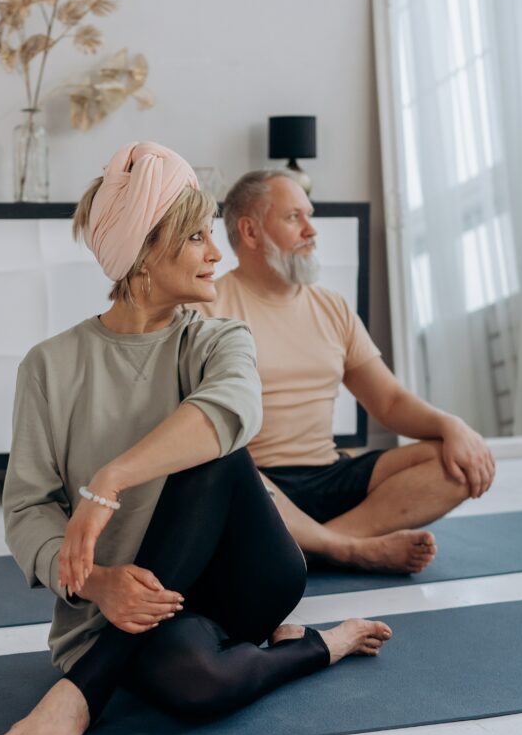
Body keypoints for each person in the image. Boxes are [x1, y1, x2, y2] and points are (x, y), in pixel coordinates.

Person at [0, 143, 392, 735]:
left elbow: (233, 410)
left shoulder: (218, 339)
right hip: (122, 610)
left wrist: (110, 482)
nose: (217, 253)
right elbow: (27, 509)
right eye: (199, 237)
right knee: (195, 685)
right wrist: (98, 584)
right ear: (147, 252)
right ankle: (321, 645)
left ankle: (84, 689)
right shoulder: (49, 366)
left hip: (243, 579)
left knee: (216, 450)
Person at [198, 170, 496, 574]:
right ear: (250, 232)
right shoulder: (207, 310)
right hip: (256, 483)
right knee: (218, 466)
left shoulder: (332, 307)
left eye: (309, 215)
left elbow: (388, 401)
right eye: (293, 218)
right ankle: (349, 549)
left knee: (454, 464)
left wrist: (452, 426)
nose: (311, 230)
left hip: (328, 472)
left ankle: (311, 548)